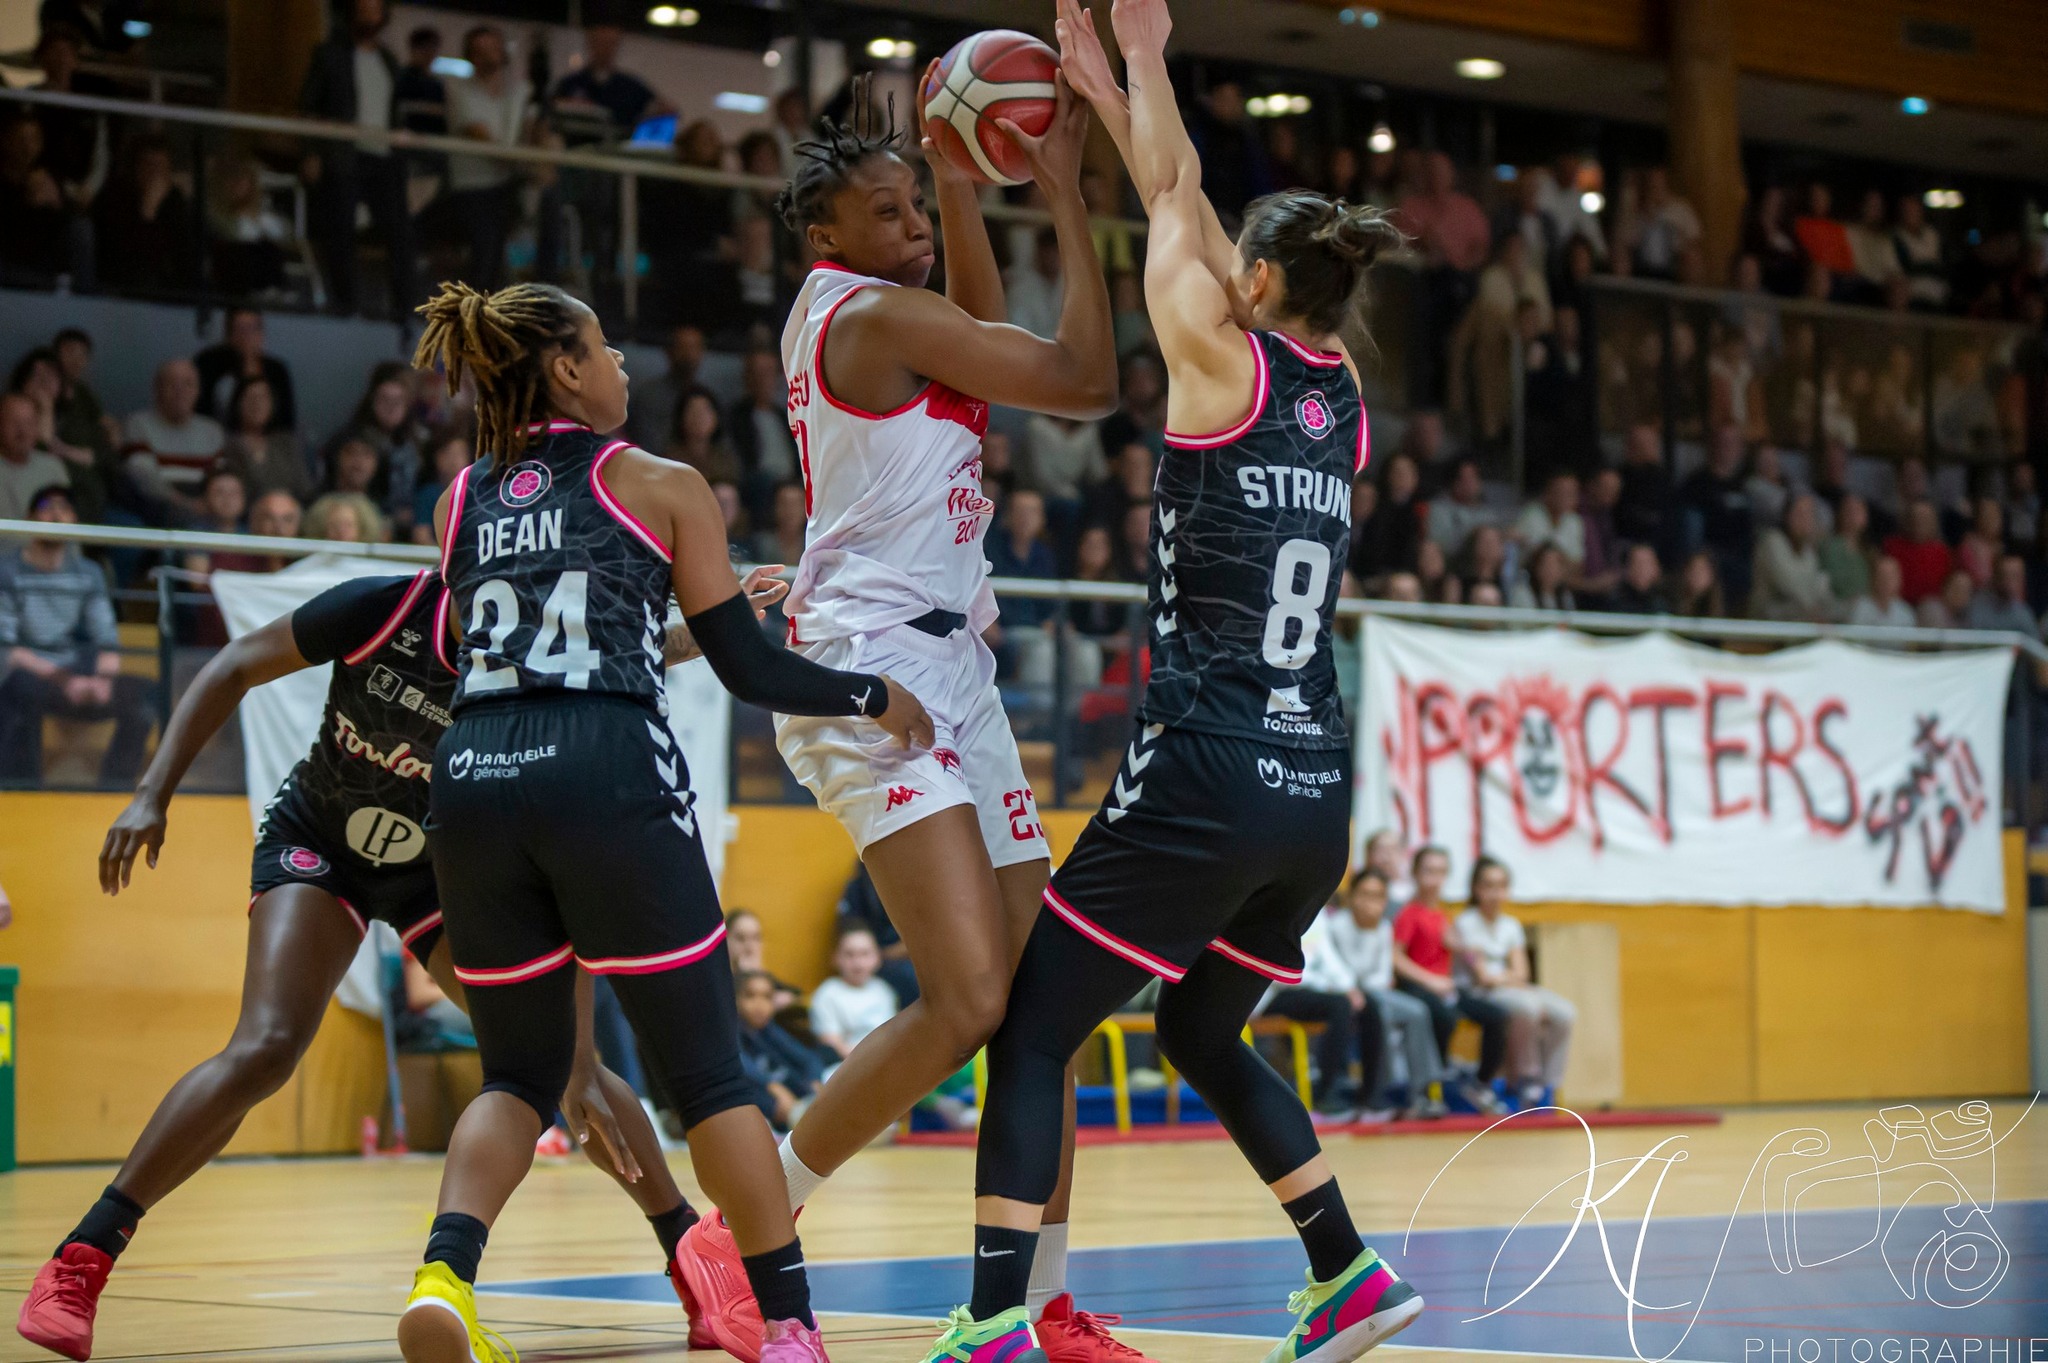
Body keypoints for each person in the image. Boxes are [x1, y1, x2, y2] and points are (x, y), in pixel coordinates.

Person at [950, 7, 1424, 1363]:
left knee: (1034, 1028)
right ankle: (1346, 1269)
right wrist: (1118, 88)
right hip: (1314, 787)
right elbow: (1193, 205)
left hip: (1207, 764)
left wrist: (1137, 70)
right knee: (1203, 1025)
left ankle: (988, 1320)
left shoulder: (1214, 354)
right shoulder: (1340, 395)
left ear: (1255, 285)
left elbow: (1172, 195)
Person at [13, 552, 797, 1361]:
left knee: (570, 1065)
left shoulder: (536, 648)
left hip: (445, 869)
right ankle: (82, 1258)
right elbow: (237, 662)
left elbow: (633, 645)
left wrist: (713, 623)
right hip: (322, 842)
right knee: (267, 1045)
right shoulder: (380, 608)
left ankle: (692, 1259)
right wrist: (152, 790)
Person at [677, 56, 1128, 1363]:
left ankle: (1036, 1298)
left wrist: (956, 188)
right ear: (824, 234)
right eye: (890, 213)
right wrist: (1063, 193)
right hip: (868, 673)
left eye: (916, 214)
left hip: (954, 670)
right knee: (969, 997)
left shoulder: (895, 313)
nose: (914, 233)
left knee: (1046, 1005)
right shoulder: (868, 319)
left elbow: (980, 327)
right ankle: (744, 1222)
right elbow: (1085, 378)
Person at [398, 280, 928, 1363]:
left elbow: (499, 652)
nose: (623, 367)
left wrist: (651, 633)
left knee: (517, 1075)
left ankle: (445, 1277)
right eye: (603, 348)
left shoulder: (458, 500)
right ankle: (785, 1325)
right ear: (562, 369)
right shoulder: (661, 482)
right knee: (711, 1075)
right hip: (605, 771)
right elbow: (749, 666)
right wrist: (869, 694)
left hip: (475, 776)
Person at [0, 484, 154, 786]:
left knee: (147, 698)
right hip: (26, 672)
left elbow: (106, 638)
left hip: (73, 668)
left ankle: (112, 791)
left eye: (65, 508)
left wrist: (103, 680)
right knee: (17, 693)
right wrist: (65, 680)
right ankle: (24, 793)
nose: (57, 515)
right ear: (29, 518)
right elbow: (8, 648)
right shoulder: (7, 571)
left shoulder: (88, 572)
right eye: (47, 508)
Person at [1296, 868, 1445, 1118]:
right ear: (1351, 896)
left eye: (1377, 896)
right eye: (1364, 894)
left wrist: (1364, 985)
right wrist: (1354, 985)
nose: (1369, 902)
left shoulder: (1385, 927)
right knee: (1378, 1013)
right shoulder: (1336, 925)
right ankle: (1378, 1090)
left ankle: (1422, 1088)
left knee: (1418, 1010)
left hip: (1373, 990)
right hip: (1347, 990)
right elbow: (1335, 966)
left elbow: (1383, 975)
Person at [298, 0, 414, 318]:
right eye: (363, 7)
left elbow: (393, 110)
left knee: (400, 233)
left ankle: (404, 309)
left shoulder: (388, 61)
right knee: (341, 231)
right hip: (344, 154)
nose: (368, 14)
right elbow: (309, 105)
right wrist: (311, 151)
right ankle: (346, 304)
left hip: (383, 156)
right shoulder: (330, 54)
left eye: (374, 8)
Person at [1392, 847, 1507, 1113]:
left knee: (1497, 1016)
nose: (1434, 879)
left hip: (1446, 988)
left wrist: (1468, 953)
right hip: (1417, 987)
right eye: (1428, 871)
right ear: (1416, 874)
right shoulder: (1410, 913)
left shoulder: (1443, 916)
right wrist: (1430, 981)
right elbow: (1395, 958)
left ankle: (1481, 1084)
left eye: (1441, 872)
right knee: (1444, 1017)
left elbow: (1459, 952)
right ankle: (1435, 1086)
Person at [1454, 858, 1573, 1111]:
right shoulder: (1465, 923)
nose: (1495, 893)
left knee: (1565, 1012)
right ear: (1476, 889)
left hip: (1513, 987)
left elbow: (1523, 972)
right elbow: (1482, 976)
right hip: (1481, 993)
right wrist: (1508, 976)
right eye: (1488, 886)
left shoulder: (1511, 925)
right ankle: (1524, 1078)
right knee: (1526, 1007)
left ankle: (1548, 1084)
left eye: (1501, 886)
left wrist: (1507, 976)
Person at [443, 25, 531, 292]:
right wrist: (513, 157)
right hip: (472, 187)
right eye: (480, 51)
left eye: (493, 48)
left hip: (503, 186)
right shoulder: (459, 91)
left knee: (495, 256)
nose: (488, 56)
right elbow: (481, 136)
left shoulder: (515, 94)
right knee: (484, 255)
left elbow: (520, 138)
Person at [738, 970, 824, 1131]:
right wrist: (773, 1087)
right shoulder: (729, 1030)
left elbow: (808, 1058)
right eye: (750, 996)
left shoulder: (768, 1029)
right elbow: (738, 1061)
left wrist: (815, 1081)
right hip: (754, 1095)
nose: (759, 1005)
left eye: (766, 997)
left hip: (789, 1094)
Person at [808, 924, 900, 1063]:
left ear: (877, 957)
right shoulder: (827, 994)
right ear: (835, 958)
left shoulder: (884, 990)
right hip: (848, 1068)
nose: (858, 963)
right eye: (849, 954)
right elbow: (833, 1044)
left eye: (865, 954)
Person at [194, 309, 298, 431]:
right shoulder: (210, 364)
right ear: (229, 335)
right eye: (240, 329)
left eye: (252, 329)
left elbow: (286, 420)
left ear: (261, 335)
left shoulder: (277, 371)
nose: (246, 336)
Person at [217, 377, 312, 506]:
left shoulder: (286, 443)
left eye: (263, 398)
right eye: (251, 397)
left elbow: (305, 489)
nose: (257, 403)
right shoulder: (226, 443)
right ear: (238, 402)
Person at [1751, 493, 1840, 623]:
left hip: (1804, 617)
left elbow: (1820, 590)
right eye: (1799, 513)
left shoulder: (1808, 551)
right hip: (1768, 620)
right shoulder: (1772, 541)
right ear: (1787, 515)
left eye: (1809, 514)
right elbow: (1789, 586)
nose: (1805, 520)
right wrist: (1815, 610)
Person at [0, 392, 73, 522]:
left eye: (28, 422)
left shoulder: (53, 467)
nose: (22, 431)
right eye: (14, 422)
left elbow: (68, 526)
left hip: (51, 542)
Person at [1881, 499, 1952, 606]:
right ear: (1907, 520)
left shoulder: (1942, 552)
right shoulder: (1891, 546)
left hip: (1930, 609)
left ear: (1933, 522)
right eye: (1915, 517)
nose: (1919, 523)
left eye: (1924, 519)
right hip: (1895, 605)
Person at [1847, 554, 1915, 629]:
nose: (1886, 581)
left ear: (1899, 580)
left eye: (1890, 577)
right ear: (1874, 578)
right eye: (1882, 576)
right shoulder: (1860, 608)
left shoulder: (1905, 612)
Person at [1609, 542, 1665, 614]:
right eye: (1637, 564)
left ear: (1657, 569)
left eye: (1647, 564)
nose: (1642, 570)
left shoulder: (1663, 607)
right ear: (1627, 569)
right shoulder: (1614, 606)